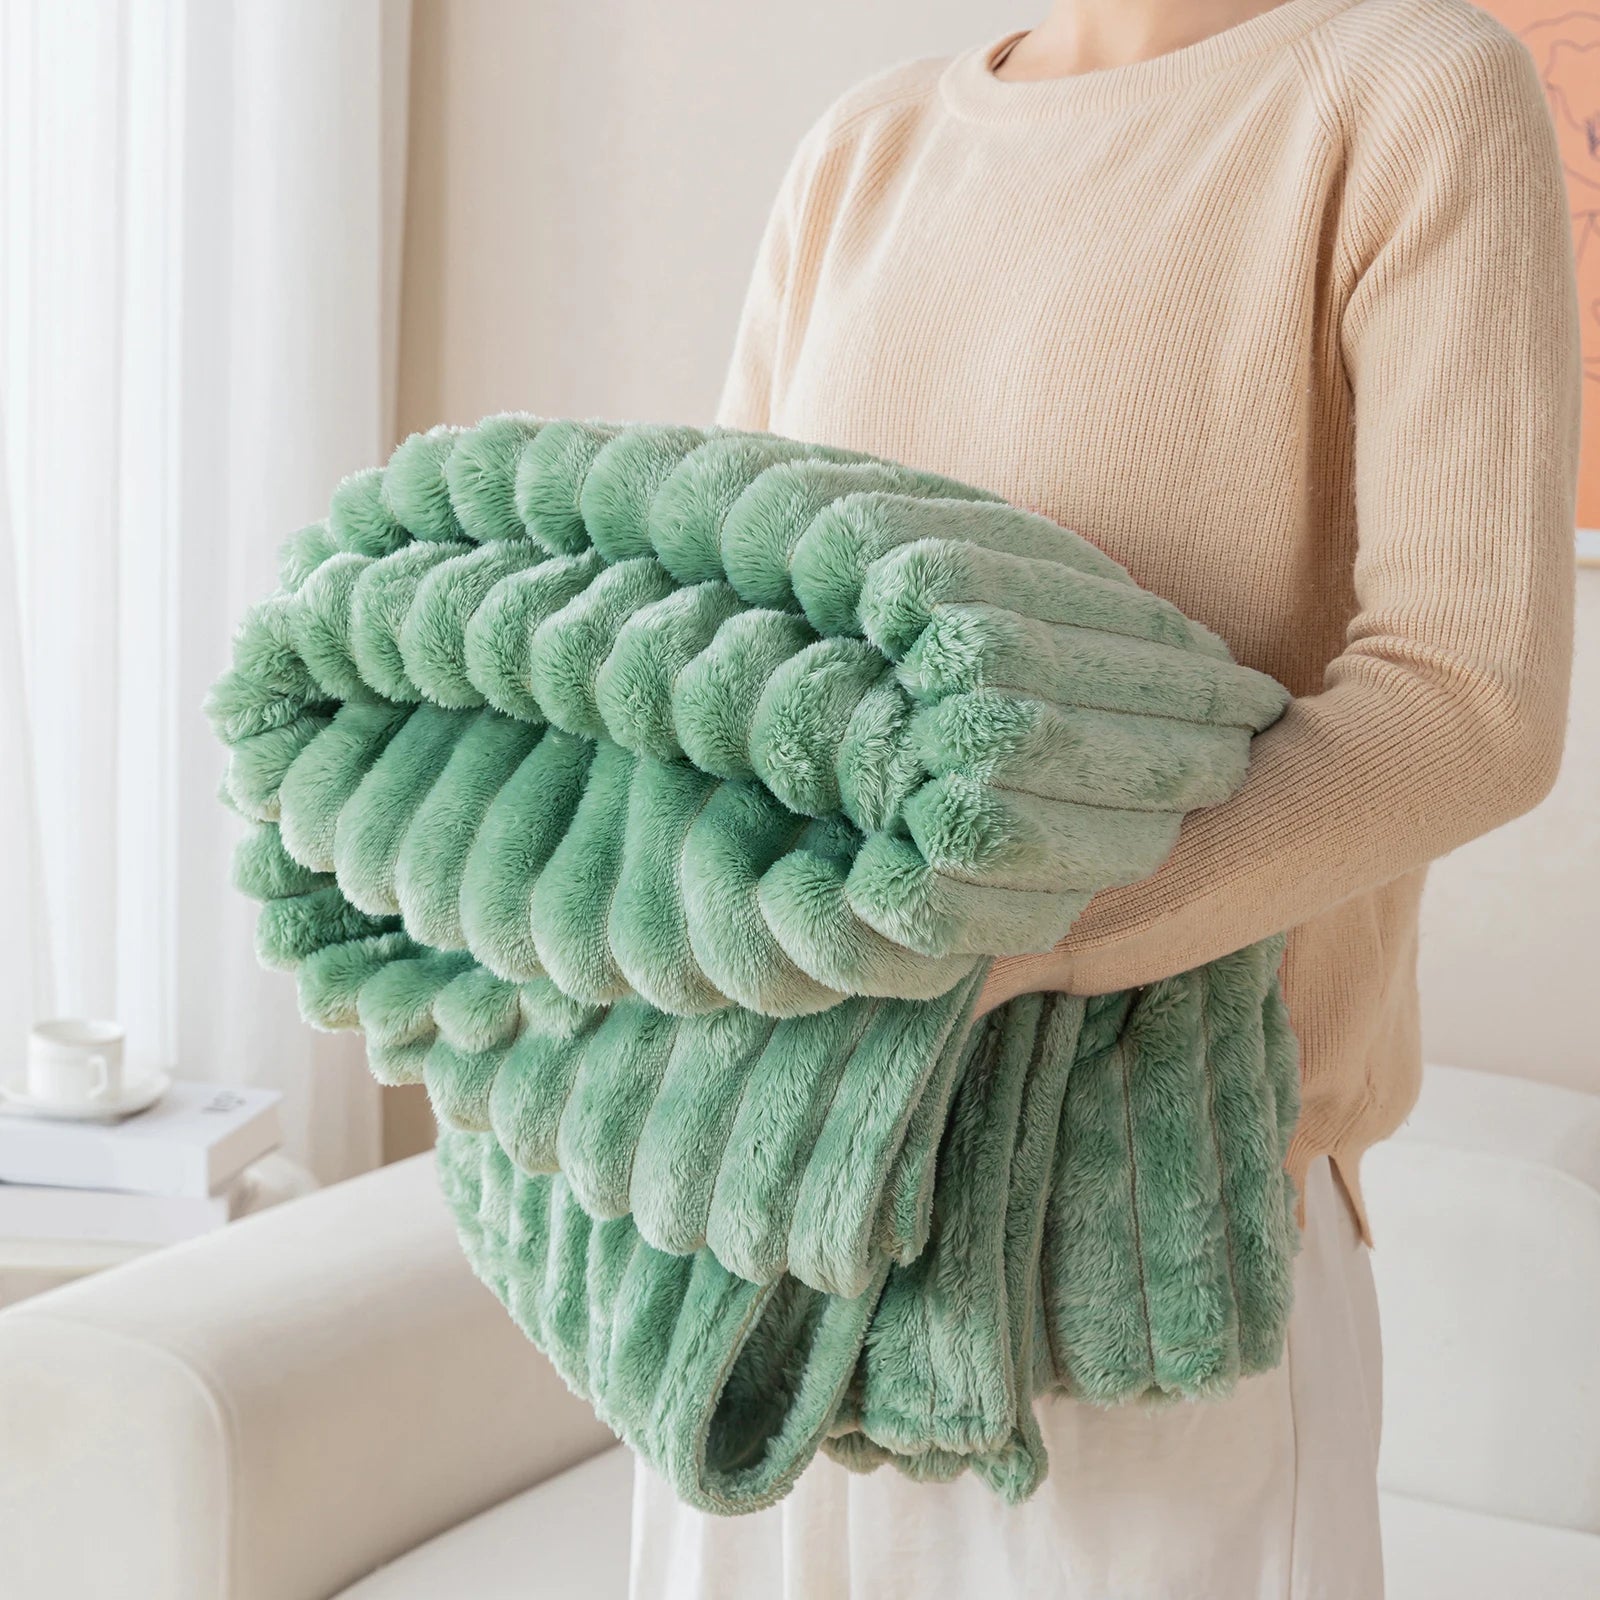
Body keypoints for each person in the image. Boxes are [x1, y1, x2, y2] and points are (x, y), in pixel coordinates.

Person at [629, 0, 1580, 1594]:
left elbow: (1469, 698)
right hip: (770, 1218)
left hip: (1158, 1241)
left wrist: (998, 935)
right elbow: (722, 664)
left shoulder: (1410, 97)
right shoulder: (866, 150)